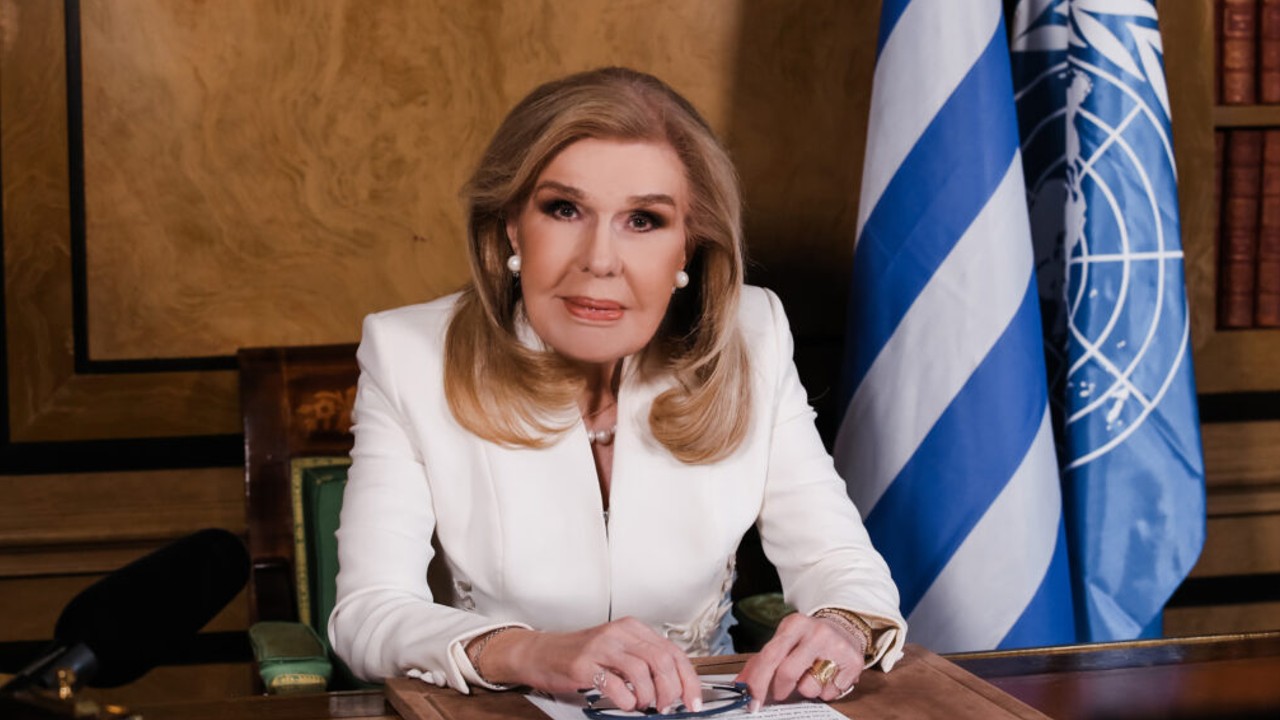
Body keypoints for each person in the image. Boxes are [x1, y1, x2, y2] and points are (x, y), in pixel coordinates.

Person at [329, 66, 906, 714]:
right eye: (564, 209)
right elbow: (368, 614)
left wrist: (842, 627)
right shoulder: (409, 354)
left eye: (643, 220)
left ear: (688, 244)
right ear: (513, 225)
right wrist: (528, 651)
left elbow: (841, 563)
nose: (599, 260)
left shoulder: (755, 335)